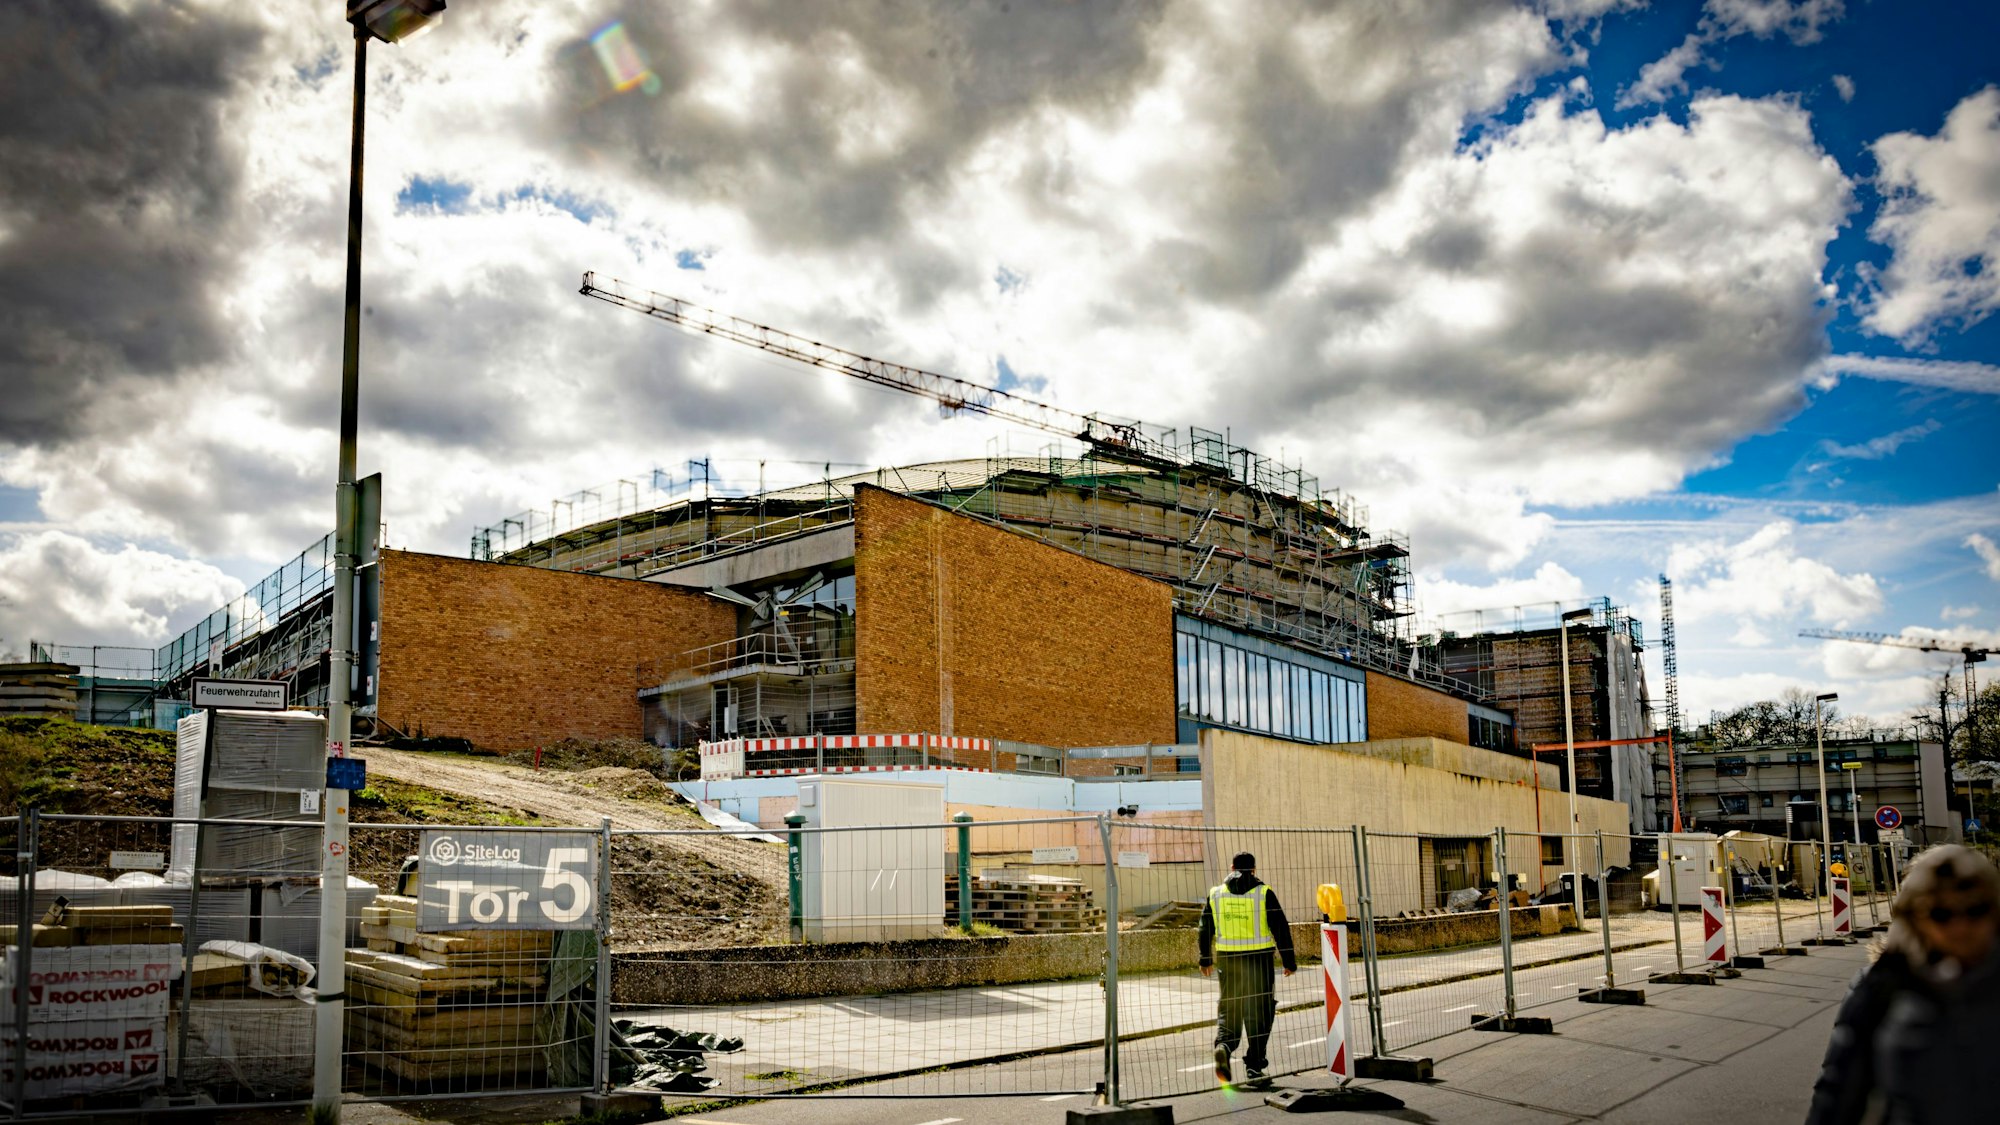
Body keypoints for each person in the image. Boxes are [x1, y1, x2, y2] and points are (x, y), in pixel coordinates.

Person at [1806, 844, 2000, 1124]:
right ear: (1915, 917)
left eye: (1975, 910)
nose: (1961, 927)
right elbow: (1840, 1089)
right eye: (1941, 914)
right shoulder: (1881, 987)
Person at [1198, 852, 1297, 1087]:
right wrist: (1289, 961)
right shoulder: (1264, 893)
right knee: (1260, 1012)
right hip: (1259, 961)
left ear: (1232, 868)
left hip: (1227, 962)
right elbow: (1280, 927)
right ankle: (1254, 1066)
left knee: (1230, 1007)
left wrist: (1205, 959)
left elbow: (1204, 928)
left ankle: (1224, 1046)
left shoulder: (1216, 893)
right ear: (1254, 870)